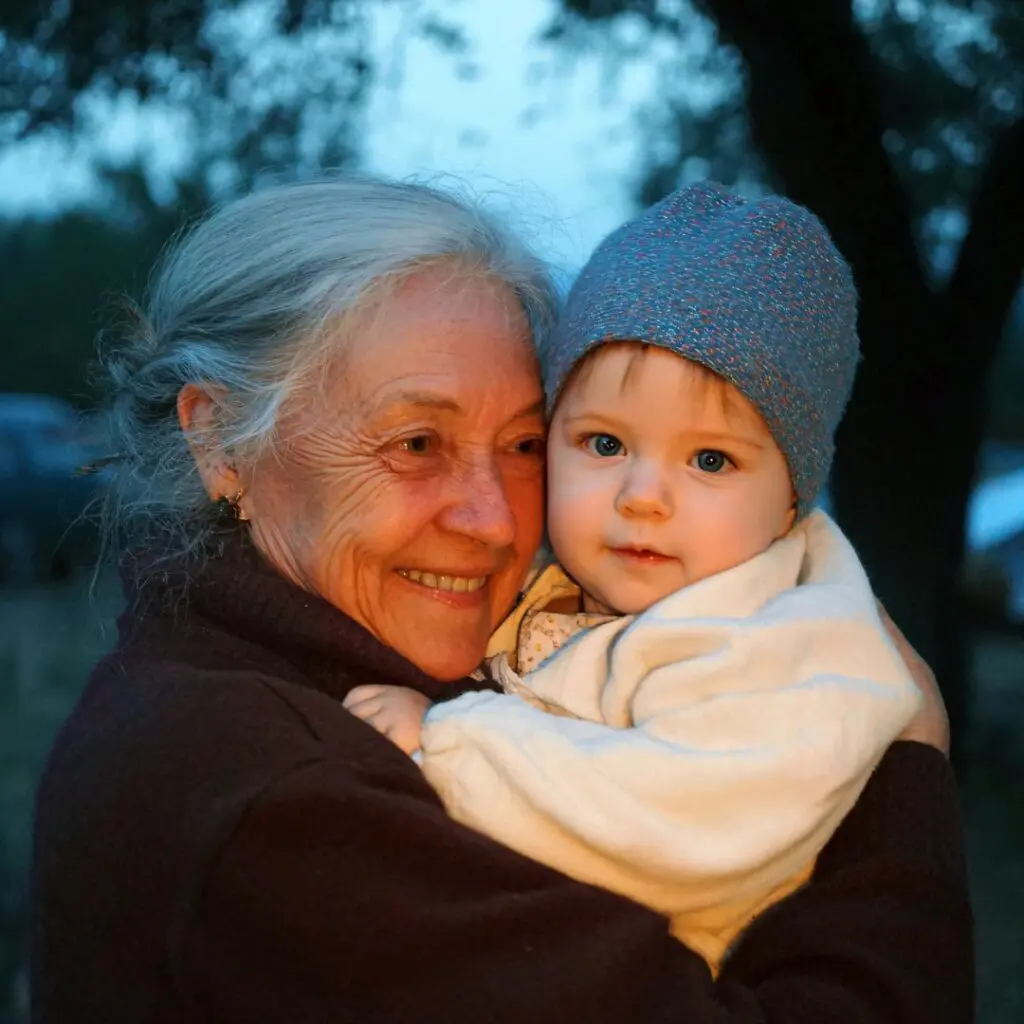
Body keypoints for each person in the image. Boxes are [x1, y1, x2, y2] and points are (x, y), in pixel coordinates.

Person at [31, 176, 972, 1023]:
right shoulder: (281, 804)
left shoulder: (248, 686)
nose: (490, 522)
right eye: (414, 444)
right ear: (222, 443)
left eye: (525, 447)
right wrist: (906, 783)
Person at [342, 182, 926, 973]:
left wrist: (447, 741)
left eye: (710, 460)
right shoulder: (558, 585)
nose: (642, 498)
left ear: (792, 497)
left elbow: (682, 824)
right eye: (605, 444)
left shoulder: (794, 645)